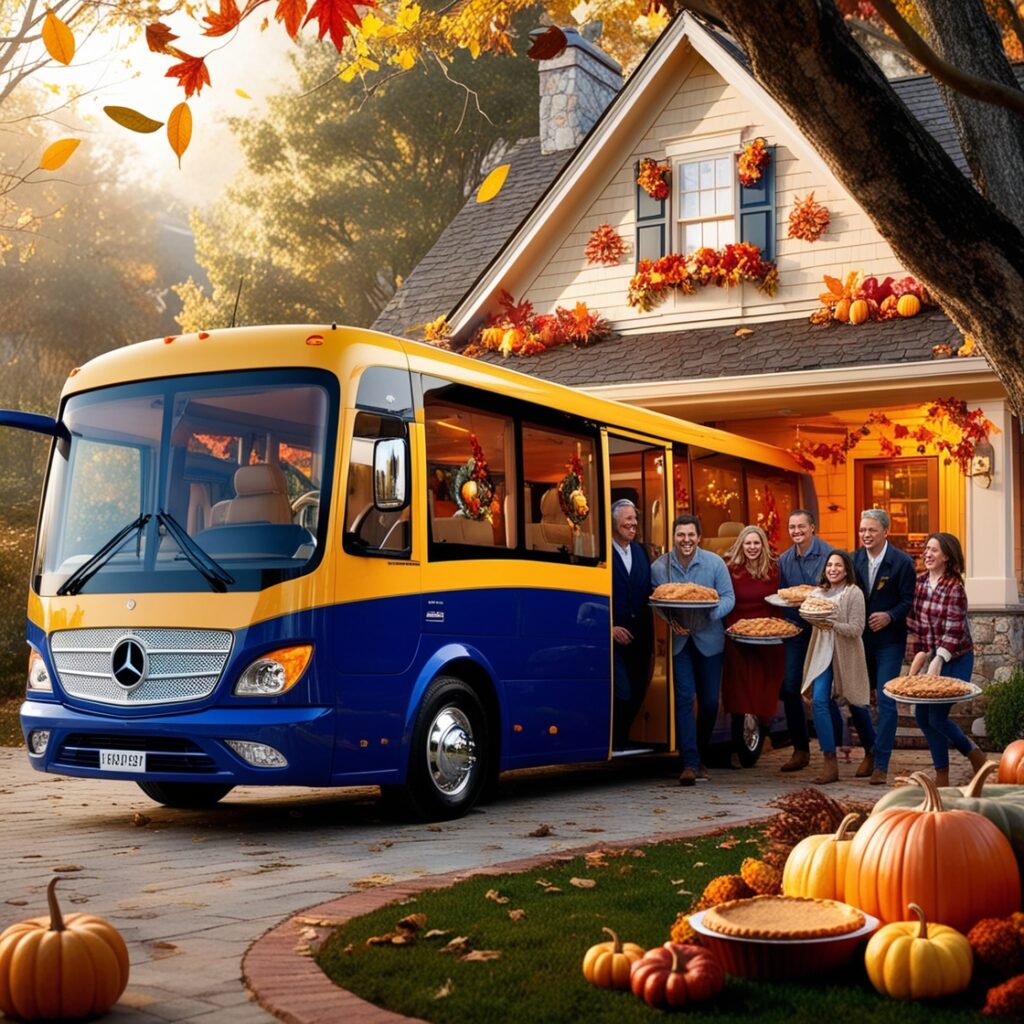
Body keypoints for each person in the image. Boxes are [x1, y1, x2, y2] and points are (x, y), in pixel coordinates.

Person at [651, 514, 735, 786]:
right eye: (680, 535)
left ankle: (699, 753)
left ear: (699, 537)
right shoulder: (660, 567)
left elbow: (728, 597)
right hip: (680, 643)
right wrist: (672, 622)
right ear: (674, 537)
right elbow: (657, 601)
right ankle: (688, 762)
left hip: (710, 642)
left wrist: (711, 615)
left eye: (690, 535)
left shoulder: (714, 563)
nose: (685, 540)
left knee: (709, 702)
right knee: (684, 698)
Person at [906, 532, 988, 787]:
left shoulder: (955, 588)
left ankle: (974, 757)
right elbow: (918, 629)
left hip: (957, 658)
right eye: (926, 549)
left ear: (947, 557)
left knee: (936, 717)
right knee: (922, 716)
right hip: (933, 659)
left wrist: (938, 660)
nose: (927, 554)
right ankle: (943, 771)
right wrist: (914, 669)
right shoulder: (919, 584)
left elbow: (954, 630)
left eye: (934, 550)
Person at [801, 550, 875, 784]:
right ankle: (829, 761)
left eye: (838, 566)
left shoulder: (854, 594)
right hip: (823, 653)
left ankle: (872, 750)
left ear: (847, 570)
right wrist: (812, 617)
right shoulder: (816, 593)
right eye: (829, 565)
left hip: (846, 653)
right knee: (820, 701)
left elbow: (856, 629)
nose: (833, 569)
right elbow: (807, 614)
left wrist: (831, 624)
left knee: (857, 704)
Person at [853, 509, 916, 785]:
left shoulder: (902, 562)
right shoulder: (853, 560)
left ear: (885, 532)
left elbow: (908, 600)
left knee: (887, 701)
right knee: (855, 699)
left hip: (889, 641)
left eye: (871, 530)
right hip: (858, 640)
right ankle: (870, 748)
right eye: (862, 530)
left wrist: (890, 615)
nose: (866, 535)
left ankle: (881, 763)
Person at [776, 509, 832, 772]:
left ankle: (833, 750)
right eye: (792, 527)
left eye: (801, 526)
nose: (796, 531)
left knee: (825, 693)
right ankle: (800, 750)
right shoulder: (784, 560)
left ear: (813, 528)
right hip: (796, 630)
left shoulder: (829, 556)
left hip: (823, 630)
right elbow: (784, 597)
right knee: (790, 688)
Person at [722, 524, 785, 729]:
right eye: (748, 543)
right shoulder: (730, 569)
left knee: (764, 686)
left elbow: (782, 599)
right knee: (739, 687)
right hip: (736, 635)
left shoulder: (775, 569)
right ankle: (740, 729)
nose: (752, 547)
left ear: (763, 545)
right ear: (741, 545)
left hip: (769, 636)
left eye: (756, 543)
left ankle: (762, 726)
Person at [610, 498, 653, 748]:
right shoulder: (604, 552)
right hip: (614, 637)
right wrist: (610, 627)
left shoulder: (640, 551)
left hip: (640, 638)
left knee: (637, 692)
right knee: (622, 692)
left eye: (635, 519)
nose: (633, 524)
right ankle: (615, 741)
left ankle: (622, 740)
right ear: (615, 523)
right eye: (627, 519)